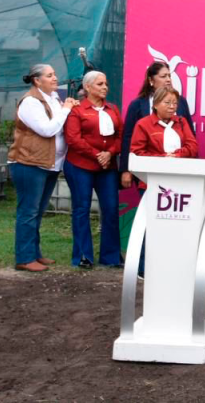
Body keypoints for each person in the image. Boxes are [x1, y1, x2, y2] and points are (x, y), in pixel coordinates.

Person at [8, 64, 78, 272]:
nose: (55, 78)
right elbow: (47, 130)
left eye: (55, 75)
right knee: (28, 211)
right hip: (29, 163)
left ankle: (34, 253)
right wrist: (66, 109)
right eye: (50, 75)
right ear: (37, 80)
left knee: (37, 211)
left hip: (49, 164)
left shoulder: (53, 99)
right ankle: (24, 257)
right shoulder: (30, 102)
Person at [129, 86, 199, 277]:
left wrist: (176, 156)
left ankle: (172, 267)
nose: (171, 107)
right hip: (151, 183)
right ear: (156, 104)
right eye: (167, 103)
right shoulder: (143, 124)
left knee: (175, 226)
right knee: (150, 226)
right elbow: (137, 152)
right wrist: (162, 158)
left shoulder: (182, 122)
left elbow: (192, 146)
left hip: (180, 184)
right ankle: (143, 268)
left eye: (175, 103)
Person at [63, 71, 123, 269]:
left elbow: (121, 136)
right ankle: (83, 256)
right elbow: (73, 138)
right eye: (100, 84)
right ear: (88, 87)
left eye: (106, 83)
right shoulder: (77, 110)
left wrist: (110, 153)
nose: (105, 87)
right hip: (81, 166)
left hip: (108, 167)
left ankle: (111, 256)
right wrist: (97, 154)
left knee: (111, 209)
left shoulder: (113, 108)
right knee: (81, 209)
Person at [119, 61, 195, 191]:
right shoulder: (137, 105)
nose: (168, 80)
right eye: (163, 76)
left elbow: (191, 138)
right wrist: (126, 169)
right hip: (148, 171)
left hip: (179, 170)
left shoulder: (181, 102)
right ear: (151, 80)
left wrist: (177, 156)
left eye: (169, 76)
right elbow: (128, 138)